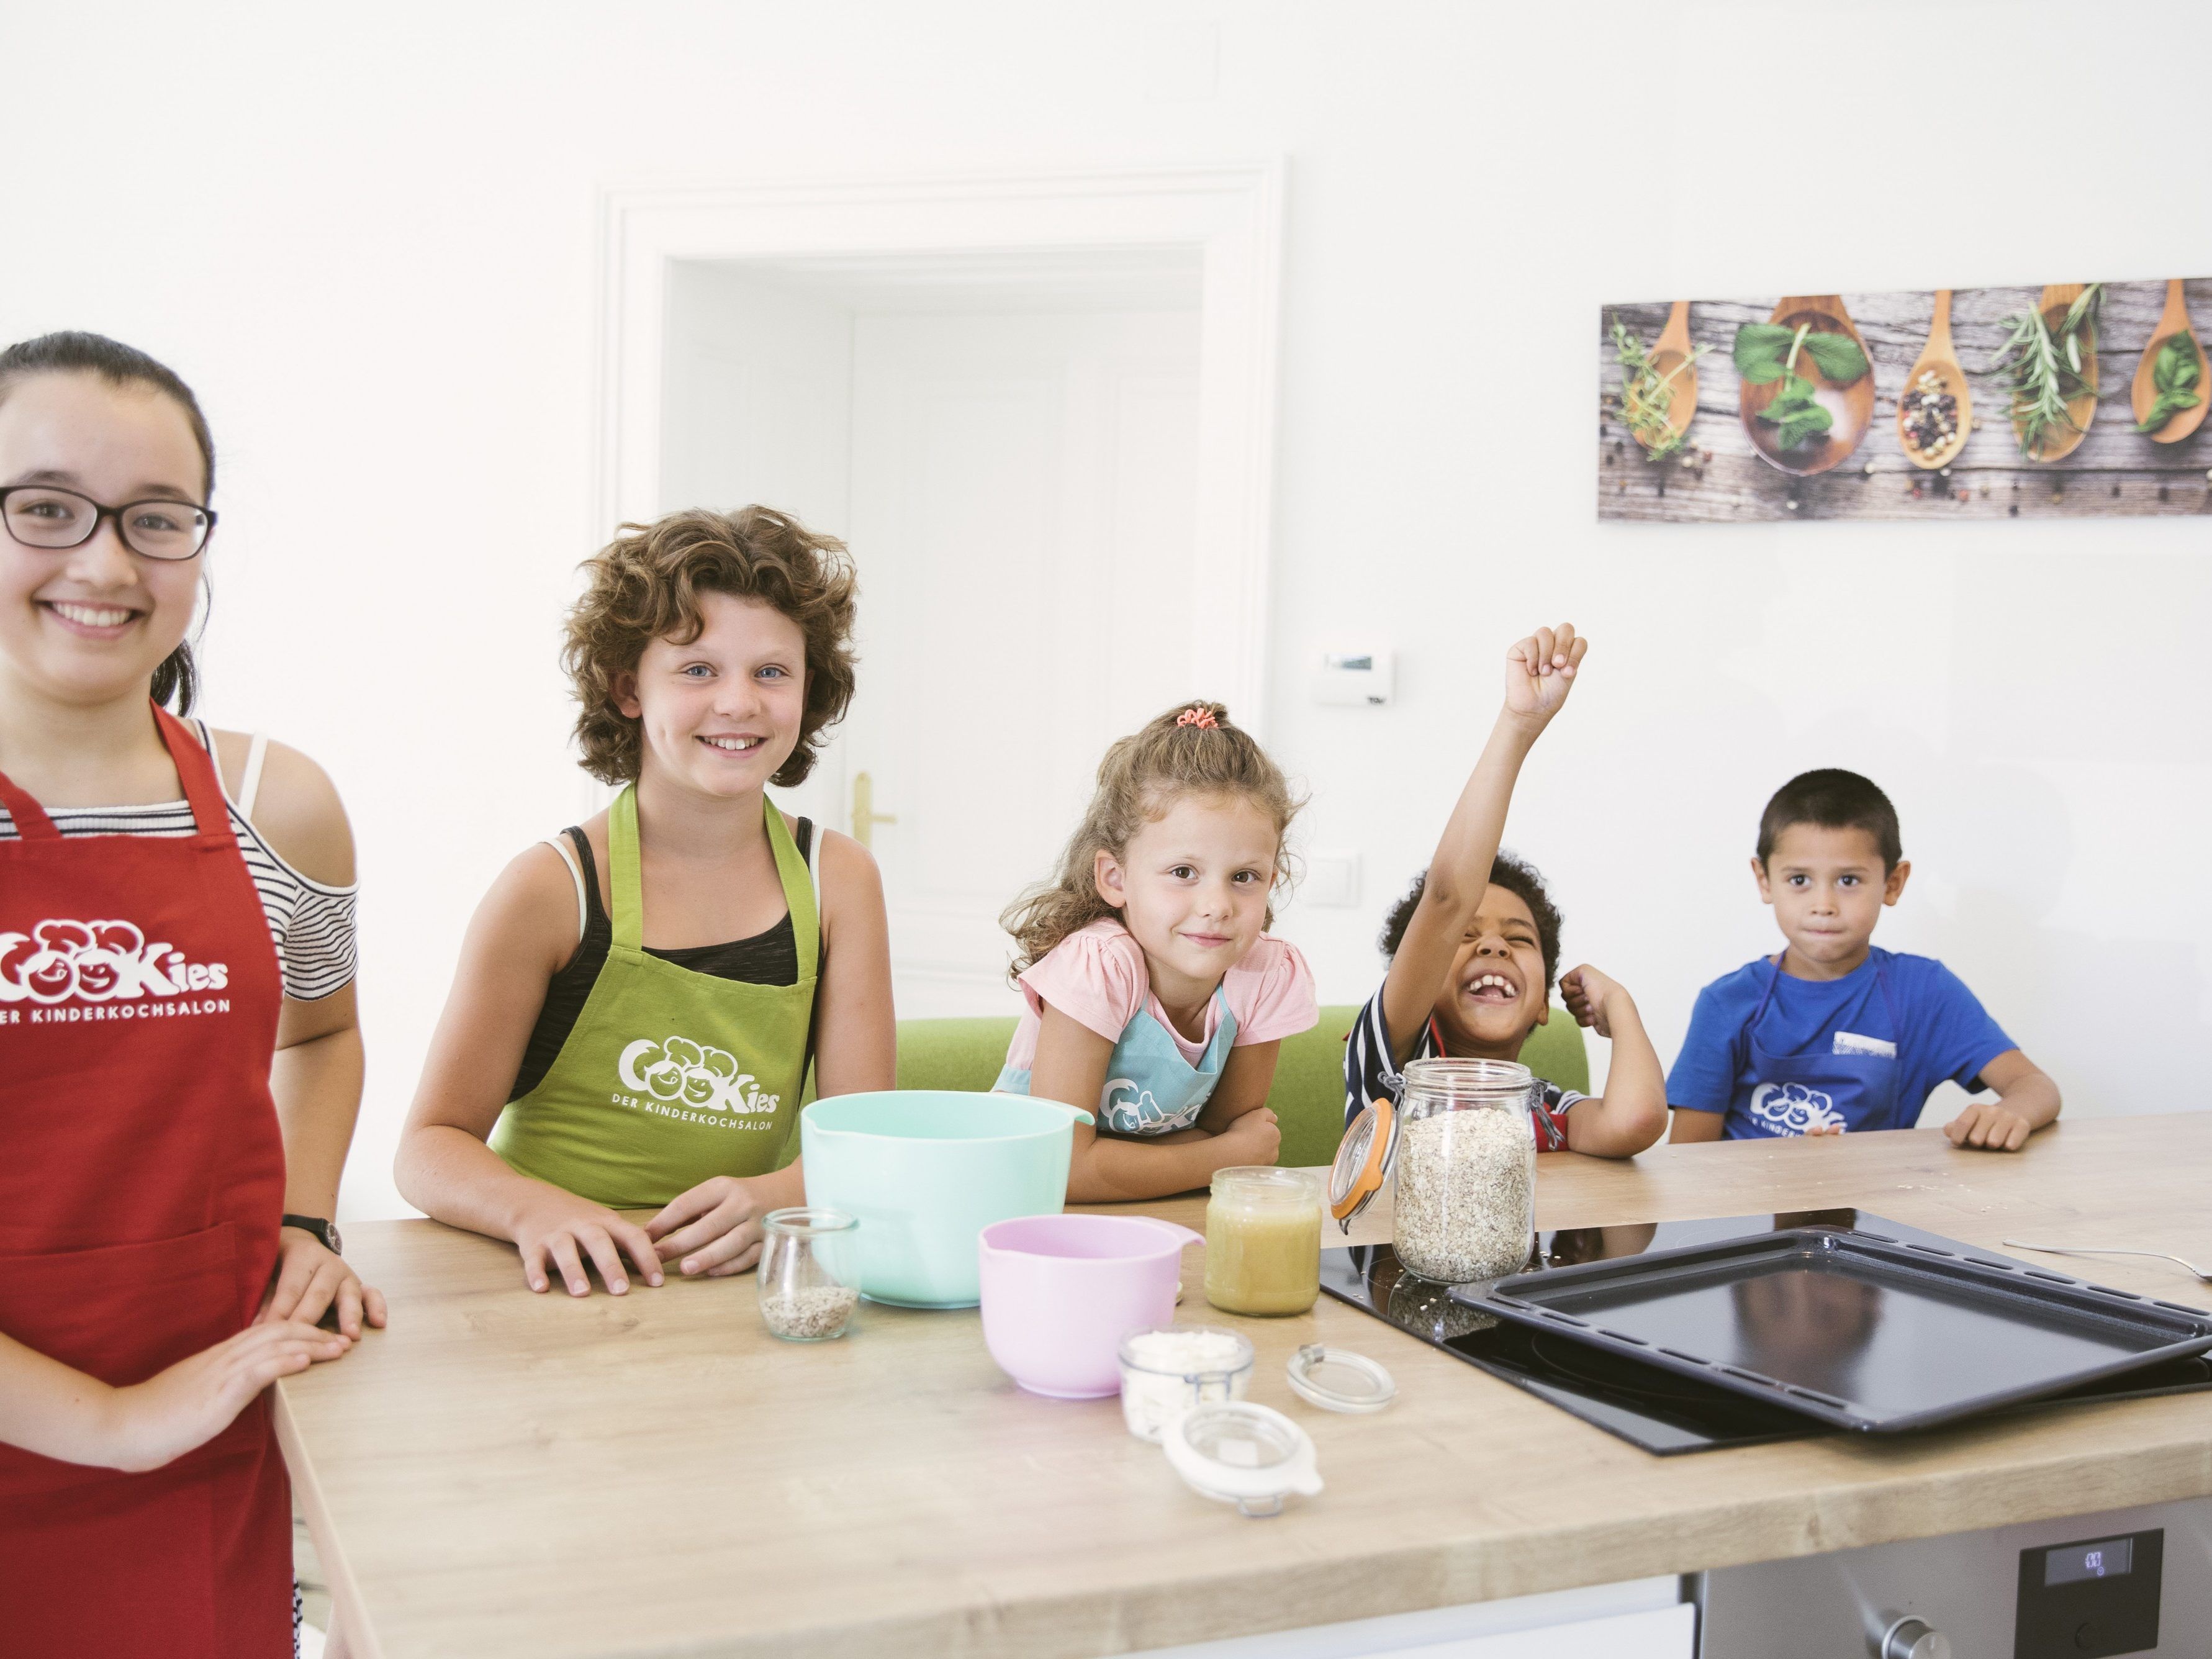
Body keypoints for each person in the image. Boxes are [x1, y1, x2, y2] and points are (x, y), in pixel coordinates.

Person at [0, 331, 381, 1656]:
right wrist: (110, 1420)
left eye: (155, 521)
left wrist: (306, 1216)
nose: (105, 565)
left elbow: (322, 1034)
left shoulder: (280, 805)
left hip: (211, 1441)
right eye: (45, 508)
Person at [397, 507, 895, 1295]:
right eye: (698, 670)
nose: (738, 702)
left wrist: (780, 1193)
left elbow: (865, 1138)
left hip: (737, 1285)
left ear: (809, 690)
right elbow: (429, 1145)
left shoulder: (841, 879)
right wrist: (537, 1212)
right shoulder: (549, 888)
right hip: (557, 1283)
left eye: (772, 671)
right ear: (628, 688)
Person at [1343, 624, 1668, 1157]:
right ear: (1417, 980)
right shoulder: (1394, 1075)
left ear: (1543, 1003)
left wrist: (1621, 1005)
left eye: (1518, 940)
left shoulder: (1545, 1107)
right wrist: (1519, 725)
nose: (1493, 947)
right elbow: (1446, 899)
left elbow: (1635, 1121)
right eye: (1464, 937)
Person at [996, 701, 1317, 1201]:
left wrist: (1203, 1156)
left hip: (1162, 1214)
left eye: (1244, 877)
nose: (1216, 906)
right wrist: (1220, 1157)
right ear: (1115, 878)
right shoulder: (1100, 966)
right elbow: (1059, 1170)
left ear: (1271, 881)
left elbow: (1224, 1132)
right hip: (1021, 1207)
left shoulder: (1267, 973)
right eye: (1183, 872)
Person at [1668, 768, 2060, 1149]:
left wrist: (2012, 1113)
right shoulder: (1725, 1003)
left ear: (1893, 883)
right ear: (1764, 881)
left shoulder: (1925, 992)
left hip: (1868, 1209)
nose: (1824, 906)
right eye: (1799, 880)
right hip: (1747, 1211)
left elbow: (2036, 1086)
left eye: (1849, 881)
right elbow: (1689, 1165)